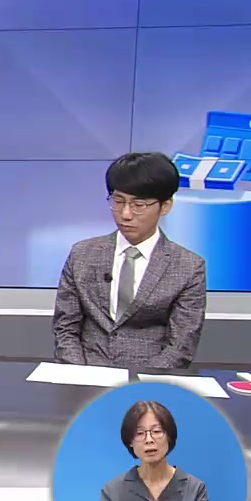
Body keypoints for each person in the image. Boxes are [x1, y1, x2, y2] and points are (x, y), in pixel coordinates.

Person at [52, 151, 207, 369]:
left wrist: (138, 383)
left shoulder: (188, 267)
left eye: (138, 205)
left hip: (148, 379)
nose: (125, 214)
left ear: (165, 206)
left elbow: (180, 346)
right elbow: (65, 328)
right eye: (118, 201)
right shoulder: (82, 255)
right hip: (85, 375)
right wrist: (80, 374)